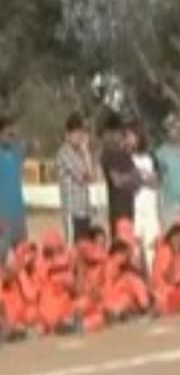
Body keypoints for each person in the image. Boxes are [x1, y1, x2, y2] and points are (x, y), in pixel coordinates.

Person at [55, 113, 97, 243]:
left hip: (85, 210)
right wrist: (85, 155)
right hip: (72, 212)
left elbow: (92, 177)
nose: (79, 137)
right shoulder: (64, 153)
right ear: (67, 135)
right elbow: (82, 177)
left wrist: (86, 152)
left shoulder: (81, 153)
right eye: (75, 133)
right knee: (73, 249)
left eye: (81, 133)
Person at [101, 115, 139, 243]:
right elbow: (116, 181)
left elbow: (137, 180)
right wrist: (129, 178)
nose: (115, 136)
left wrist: (127, 178)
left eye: (118, 133)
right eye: (112, 133)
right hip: (117, 209)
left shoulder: (125, 155)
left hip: (129, 208)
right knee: (119, 246)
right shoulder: (107, 155)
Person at [129, 123, 161, 271]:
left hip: (150, 209)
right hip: (134, 209)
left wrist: (143, 179)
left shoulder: (151, 157)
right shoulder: (127, 158)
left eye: (131, 136)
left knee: (151, 249)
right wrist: (144, 179)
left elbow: (156, 183)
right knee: (133, 250)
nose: (129, 139)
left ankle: (153, 283)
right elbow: (131, 183)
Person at [0, 117, 27, 257]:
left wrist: (16, 135)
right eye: (7, 134)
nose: (9, 137)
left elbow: (28, 145)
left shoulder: (16, 152)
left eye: (11, 134)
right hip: (3, 216)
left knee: (22, 254)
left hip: (18, 214)